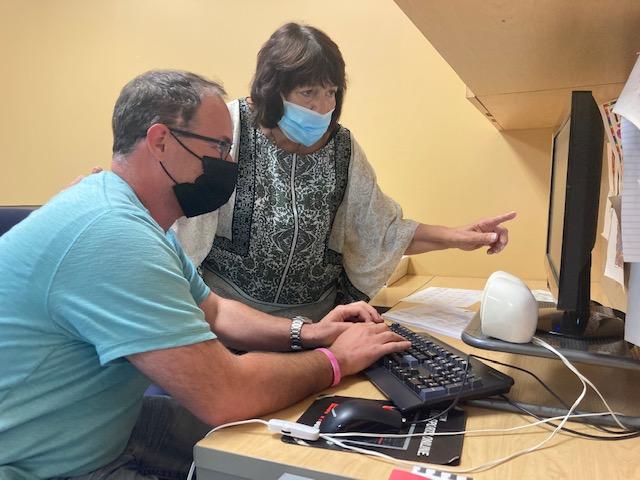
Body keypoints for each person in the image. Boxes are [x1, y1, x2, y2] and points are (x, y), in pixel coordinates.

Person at [0, 70, 411, 479]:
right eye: (219, 147)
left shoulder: (131, 218)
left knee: (277, 448)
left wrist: (310, 333)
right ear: (161, 141)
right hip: (38, 465)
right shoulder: (112, 233)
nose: (229, 162)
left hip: (97, 427)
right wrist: (335, 360)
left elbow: (213, 311)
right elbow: (225, 394)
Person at [174, 23, 517, 321]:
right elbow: (182, 233)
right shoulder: (229, 130)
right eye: (308, 93)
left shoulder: (343, 147)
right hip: (228, 317)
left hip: (317, 322)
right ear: (273, 90)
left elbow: (381, 232)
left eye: (330, 92)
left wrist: (460, 237)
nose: (322, 107)